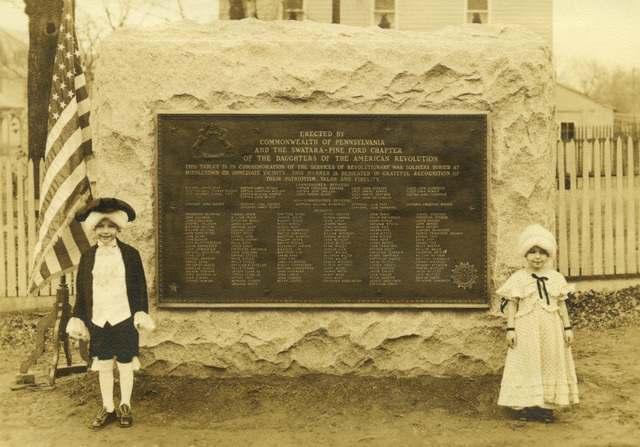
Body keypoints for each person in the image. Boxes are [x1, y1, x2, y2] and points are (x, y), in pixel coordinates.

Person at [66, 197, 155, 429]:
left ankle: (125, 404)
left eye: (111, 226)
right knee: (103, 362)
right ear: (93, 229)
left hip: (123, 316)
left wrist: (140, 312)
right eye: (100, 227)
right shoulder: (87, 257)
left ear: (118, 228)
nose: (106, 231)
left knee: (125, 361)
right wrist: (79, 318)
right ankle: (108, 407)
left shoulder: (130, 254)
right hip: (99, 318)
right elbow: (83, 291)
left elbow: (139, 287)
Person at [497, 224, 579, 422]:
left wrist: (567, 328)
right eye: (532, 252)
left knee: (549, 363)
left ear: (549, 255)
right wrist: (511, 329)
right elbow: (512, 305)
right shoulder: (518, 278)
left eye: (542, 252)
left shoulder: (556, 278)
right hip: (526, 329)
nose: (537, 256)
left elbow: (561, 305)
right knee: (526, 364)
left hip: (551, 329)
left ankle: (546, 406)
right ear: (525, 254)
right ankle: (524, 405)